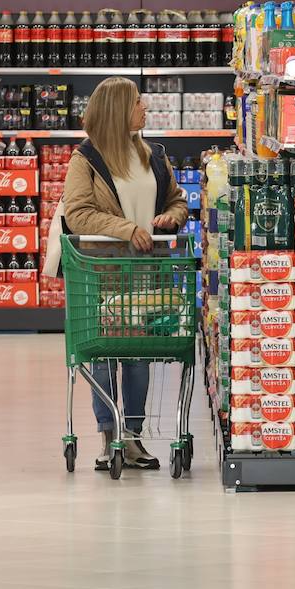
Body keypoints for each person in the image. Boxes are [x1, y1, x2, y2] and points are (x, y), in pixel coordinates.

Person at [42, 77, 189, 471]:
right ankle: (109, 437)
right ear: (118, 109)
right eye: (138, 102)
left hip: (146, 272)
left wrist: (168, 218)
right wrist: (128, 229)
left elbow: (177, 200)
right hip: (100, 270)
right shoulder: (85, 159)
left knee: (139, 355)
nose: (145, 109)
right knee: (104, 356)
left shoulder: (153, 154)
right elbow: (78, 213)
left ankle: (134, 438)